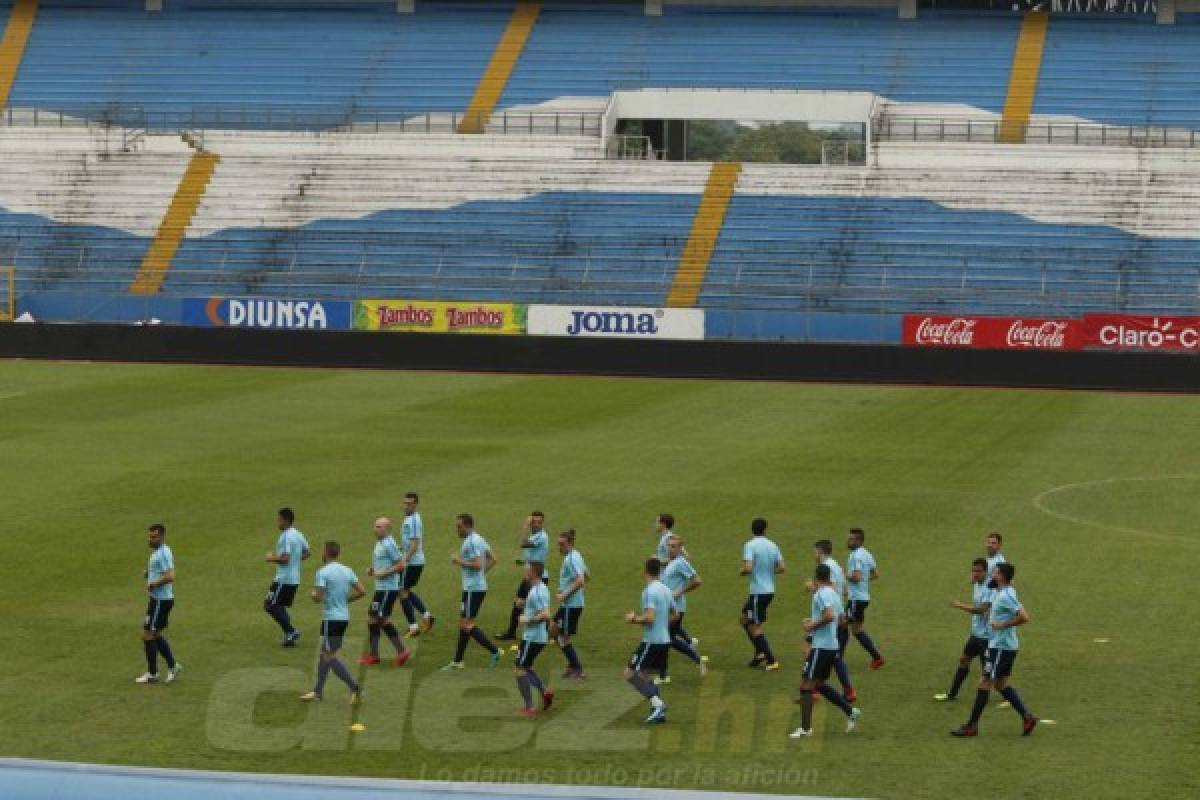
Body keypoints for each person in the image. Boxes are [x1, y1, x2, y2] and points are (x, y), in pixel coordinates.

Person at [951, 563, 1038, 737]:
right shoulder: (1003, 591)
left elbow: (1024, 617)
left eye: (996, 572)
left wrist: (1002, 624)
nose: (993, 574)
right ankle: (1027, 717)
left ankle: (972, 726)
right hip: (1001, 645)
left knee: (984, 682)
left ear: (1003, 577)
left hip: (1001, 646)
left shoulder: (1006, 596)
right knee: (1001, 684)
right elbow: (991, 585)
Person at [790, 564, 863, 737]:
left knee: (805, 685)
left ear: (816, 577)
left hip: (821, 646)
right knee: (819, 684)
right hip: (831, 646)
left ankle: (806, 729)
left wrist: (811, 625)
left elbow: (830, 616)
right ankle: (851, 712)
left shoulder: (821, 594)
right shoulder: (835, 594)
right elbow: (842, 621)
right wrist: (816, 619)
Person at [301, 541, 365, 704]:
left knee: (328, 657)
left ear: (326, 552)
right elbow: (362, 592)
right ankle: (318, 692)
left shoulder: (323, 572)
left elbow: (318, 597)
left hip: (332, 619)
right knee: (325, 655)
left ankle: (354, 687)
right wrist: (344, 601)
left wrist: (313, 595)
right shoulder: (347, 570)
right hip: (343, 618)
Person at [442, 513, 501, 671]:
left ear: (467, 525)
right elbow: (493, 559)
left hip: (473, 589)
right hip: (475, 587)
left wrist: (458, 560)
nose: (457, 529)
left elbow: (477, 564)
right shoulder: (479, 538)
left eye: (459, 526)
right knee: (464, 624)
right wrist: (481, 575)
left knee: (467, 624)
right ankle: (458, 660)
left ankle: (495, 651)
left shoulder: (472, 542)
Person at [624, 558, 673, 724]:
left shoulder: (649, 591)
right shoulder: (666, 589)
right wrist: (663, 624)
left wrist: (634, 619)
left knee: (629, 674)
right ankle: (658, 713)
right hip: (665, 640)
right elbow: (676, 614)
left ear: (645, 571)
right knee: (646, 675)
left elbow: (650, 617)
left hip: (652, 641)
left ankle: (658, 704)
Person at [936, 558, 992, 702]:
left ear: (986, 571)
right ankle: (952, 694)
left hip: (987, 637)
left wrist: (959, 605)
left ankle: (1008, 697)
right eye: (973, 570)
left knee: (990, 674)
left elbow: (982, 609)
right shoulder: (977, 583)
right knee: (964, 659)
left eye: (978, 571)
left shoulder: (990, 587)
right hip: (976, 634)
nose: (975, 574)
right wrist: (975, 580)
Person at [360, 517, 412, 667]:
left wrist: (383, 574)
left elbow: (401, 565)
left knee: (373, 619)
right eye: (375, 526)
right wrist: (374, 570)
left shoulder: (389, 544)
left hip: (387, 589)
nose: (375, 529)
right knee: (381, 620)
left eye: (379, 527)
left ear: (387, 529)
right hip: (382, 588)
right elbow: (384, 563)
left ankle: (376, 655)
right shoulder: (380, 542)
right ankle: (399, 651)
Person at [809, 539, 855, 702]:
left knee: (810, 648)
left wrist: (813, 588)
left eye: (815, 552)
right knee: (834, 657)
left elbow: (832, 589)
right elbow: (844, 590)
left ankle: (812, 686)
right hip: (837, 614)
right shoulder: (835, 565)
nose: (813, 555)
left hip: (830, 618)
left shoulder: (827, 567)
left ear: (820, 552)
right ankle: (847, 691)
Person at [656, 534, 706, 684]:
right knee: (666, 640)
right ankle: (664, 674)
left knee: (666, 640)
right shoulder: (670, 563)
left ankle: (696, 660)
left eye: (673, 546)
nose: (670, 548)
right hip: (667, 608)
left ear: (679, 549)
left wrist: (679, 592)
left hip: (676, 609)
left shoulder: (680, 563)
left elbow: (697, 581)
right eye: (669, 546)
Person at [136, 524, 181, 685]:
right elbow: (162, 571)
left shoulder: (162, 553)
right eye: (149, 536)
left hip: (161, 601)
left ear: (161, 537)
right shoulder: (160, 552)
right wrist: (149, 573)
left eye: (153, 536)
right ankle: (164, 669)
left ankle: (158, 672)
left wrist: (154, 583)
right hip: (156, 600)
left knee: (149, 635)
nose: (150, 539)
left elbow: (170, 576)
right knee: (151, 634)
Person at [497, 512, 549, 641]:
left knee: (538, 607)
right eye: (533, 521)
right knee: (518, 604)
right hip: (529, 577)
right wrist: (524, 561)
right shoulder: (535, 535)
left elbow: (523, 543)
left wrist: (525, 526)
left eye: (539, 522)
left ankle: (548, 632)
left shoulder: (541, 536)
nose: (535, 524)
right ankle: (511, 633)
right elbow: (533, 553)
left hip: (538, 578)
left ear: (542, 523)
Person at [740, 517, 784, 671]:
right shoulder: (773, 545)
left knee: (754, 626)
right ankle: (759, 653)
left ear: (752, 530)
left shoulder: (750, 545)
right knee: (744, 619)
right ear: (765, 530)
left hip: (759, 592)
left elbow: (748, 567)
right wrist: (767, 571)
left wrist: (743, 571)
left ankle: (771, 660)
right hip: (769, 590)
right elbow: (781, 567)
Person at [264, 507, 310, 647]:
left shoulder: (286, 536)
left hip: (284, 579)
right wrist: (295, 560)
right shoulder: (298, 534)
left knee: (270, 605)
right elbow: (307, 552)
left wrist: (271, 558)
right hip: (293, 578)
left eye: (279, 519)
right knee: (278, 605)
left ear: (285, 520)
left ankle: (291, 631)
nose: (277, 522)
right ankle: (289, 636)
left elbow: (285, 559)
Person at [514, 561, 555, 717]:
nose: (524, 572)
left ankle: (530, 707)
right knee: (526, 667)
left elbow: (546, 614)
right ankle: (545, 692)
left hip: (533, 638)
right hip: (535, 637)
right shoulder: (539, 588)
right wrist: (523, 604)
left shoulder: (538, 591)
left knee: (519, 670)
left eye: (526, 570)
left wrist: (527, 620)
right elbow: (537, 607)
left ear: (533, 572)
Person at [553, 528, 589, 680]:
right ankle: (572, 665)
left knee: (563, 638)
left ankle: (578, 669)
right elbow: (587, 575)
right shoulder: (576, 555)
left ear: (570, 543)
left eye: (562, 544)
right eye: (558, 544)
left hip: (571, 605)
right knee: (552, 630)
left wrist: (564, 594)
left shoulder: (571, 559)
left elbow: (581, 580)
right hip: (570, 604)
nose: (559, 547)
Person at [845, 528, 885, 670]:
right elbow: (875, 574)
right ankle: (877, 658)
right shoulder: (867, 554)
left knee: (842, 626)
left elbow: (856, 577)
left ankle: (835, 659)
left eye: (851, 539)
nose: (848, 541)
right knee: (856, 630)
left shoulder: (856, 556)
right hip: (863, 598)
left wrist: (844, 574)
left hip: (855, 599)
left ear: (859, 541)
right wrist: (862, 582)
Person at [398, 492, 433, 638]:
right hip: (412, 560)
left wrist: (404, 560)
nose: (406, 506)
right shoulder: (410, 518)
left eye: (410, 503)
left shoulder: (413, 521)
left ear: (415, 504)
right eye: (405, 503)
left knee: (402, 592)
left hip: (412, 562)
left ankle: (414, 627)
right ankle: (427, 616)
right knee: (405, 590)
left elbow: (414, 545)